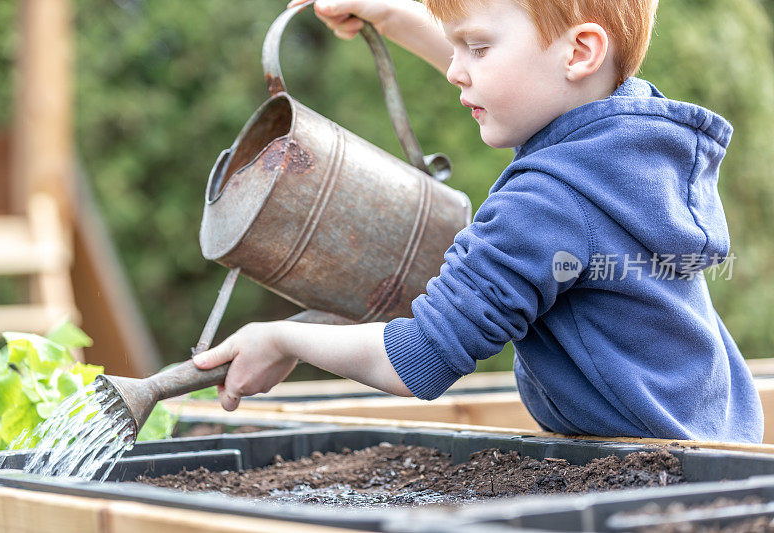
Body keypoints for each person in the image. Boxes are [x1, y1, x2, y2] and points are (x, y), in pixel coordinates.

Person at [194, 0, 764, 443]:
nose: (454, 72)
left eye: (477, 50)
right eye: (455, 47)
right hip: (722, 446)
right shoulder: (624, 145)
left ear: (581, 52)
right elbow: (524, 63)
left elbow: (419, 357)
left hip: (653, 483)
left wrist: (282, 339)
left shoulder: (545, 203)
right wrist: (392, 15)